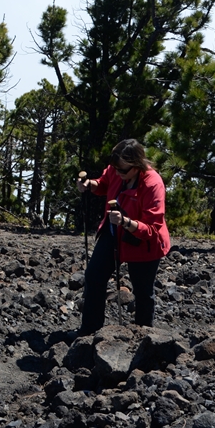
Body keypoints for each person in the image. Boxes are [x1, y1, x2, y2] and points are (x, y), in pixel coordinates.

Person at [74, 138, 170, 336]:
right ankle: (89, 332)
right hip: (114, 232)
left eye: (123, 170)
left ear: (137, 165)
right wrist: (89, 184)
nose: (118, 173)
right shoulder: (117, 169)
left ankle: (144, 339)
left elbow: (152, 228)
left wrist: (126, 222)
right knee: (94, 276)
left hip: (144, 243)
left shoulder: (153, 184)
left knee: (143, 293)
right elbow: (103, 184)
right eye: (116, 168)